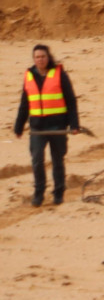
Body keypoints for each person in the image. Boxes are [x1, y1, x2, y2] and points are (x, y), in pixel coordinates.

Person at [15, 44, 81, 207]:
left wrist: (74, 124)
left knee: (57, 160)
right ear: (34, 59)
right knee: (37, 161)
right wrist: (19, 126)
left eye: (43, 56)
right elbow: (25, 104)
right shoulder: (29, 76)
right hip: (37, 129)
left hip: (57, 127)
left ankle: (58, 193)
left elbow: (71, 101)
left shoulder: (59, 74)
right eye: (37, 57)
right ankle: (39, 194)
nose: (40, 59)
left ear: (48, 57)